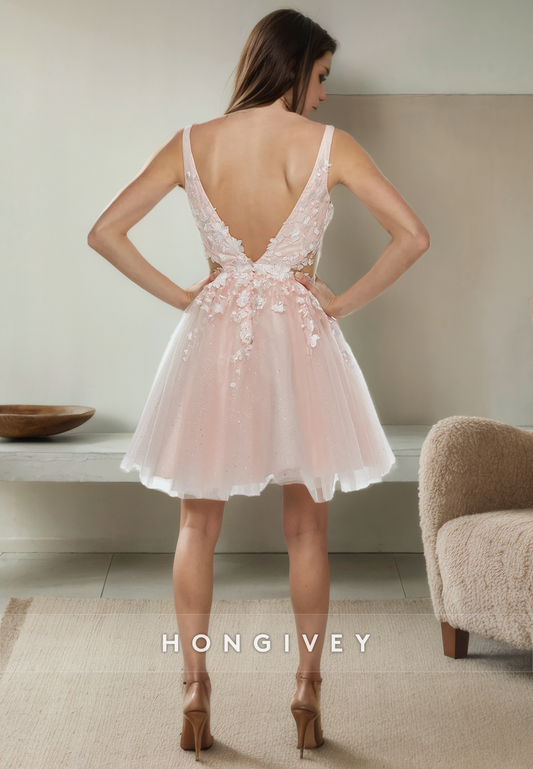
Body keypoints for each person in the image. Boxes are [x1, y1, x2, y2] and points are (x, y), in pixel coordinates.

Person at [88, 8, 430, 761]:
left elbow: (104, 231)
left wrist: (185, 296)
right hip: (299, 344)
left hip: (213, 337)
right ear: (295, 66)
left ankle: (194, 690)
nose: (325, 93)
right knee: (306, 528)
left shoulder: (192, 143)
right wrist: (338, 303)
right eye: (322, 76)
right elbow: (413, 236)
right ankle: (306, 690)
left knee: (195, 526)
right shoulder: (328, 146)